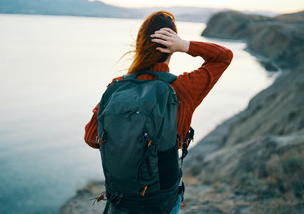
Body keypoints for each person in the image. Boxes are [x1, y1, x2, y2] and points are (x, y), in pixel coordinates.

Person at [84, 11, 233, 213]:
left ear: (138, 45)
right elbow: (223, 57)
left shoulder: (115, 87)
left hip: (120, 199)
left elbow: (91, 138)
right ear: (170, 48)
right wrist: (185, 45)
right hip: (160, 200)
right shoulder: (181, 89)